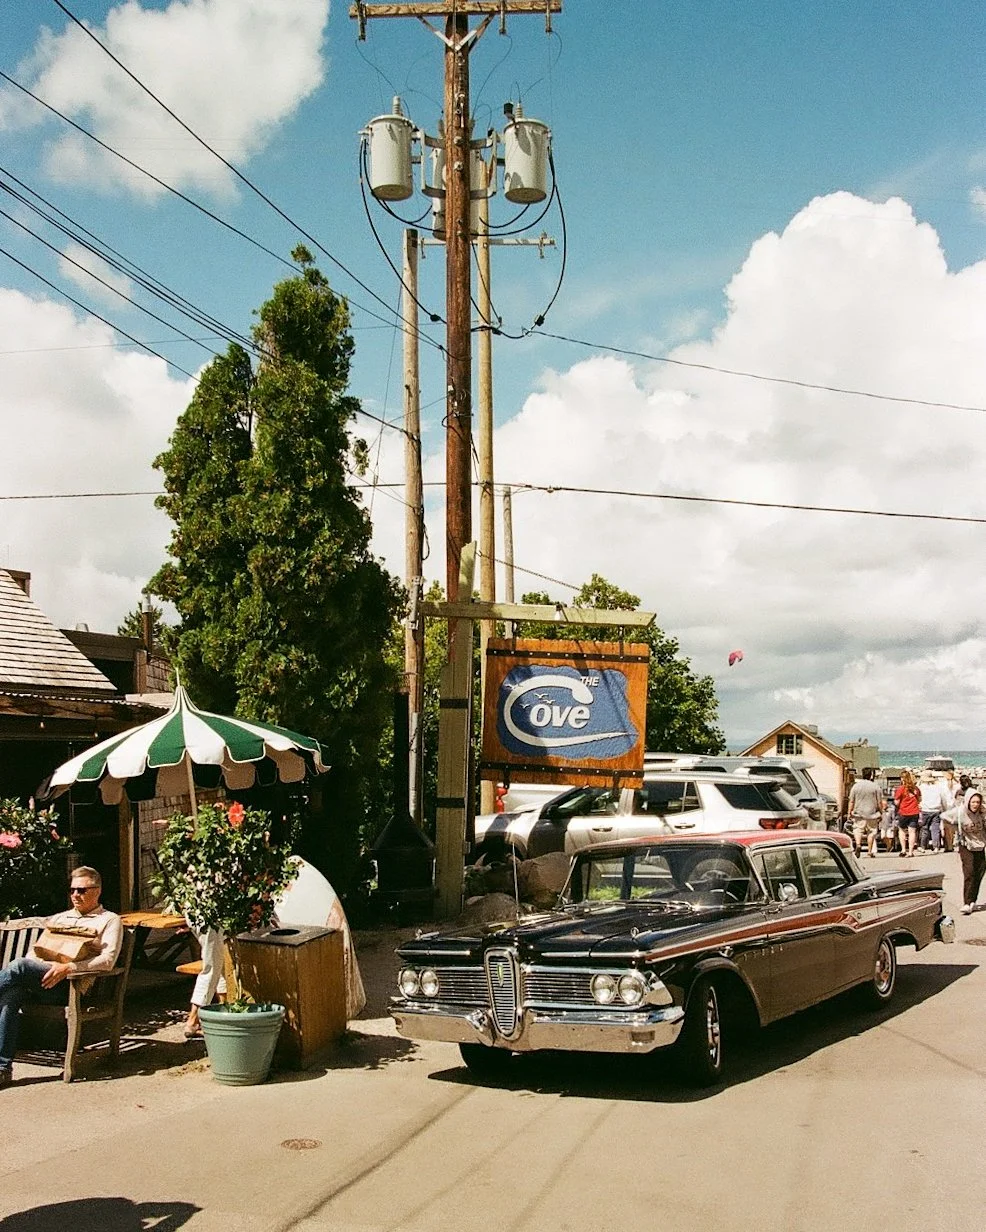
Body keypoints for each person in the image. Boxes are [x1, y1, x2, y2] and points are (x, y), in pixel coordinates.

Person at [0, 866, 122, 1089]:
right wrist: (42, 967)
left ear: (97, 890)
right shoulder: (60, 918)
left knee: (19, 966)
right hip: (42, 982)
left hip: (72, 987)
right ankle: (3, 1070)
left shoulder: (109, 920)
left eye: (82, 890)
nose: (75, 895)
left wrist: (69, 968)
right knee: (11, 995)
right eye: (72, 890)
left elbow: (108, 960)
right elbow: (34, 954)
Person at [183, 924, 226, 1040]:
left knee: (220, 964)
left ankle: (224, 1012)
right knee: (212, 968)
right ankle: (193, 1020)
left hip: (207, 920)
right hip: (211, 921)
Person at [950, 791, 986, 914]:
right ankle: (967, 902)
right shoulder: (961, 813)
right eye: (973, 802)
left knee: (979, 872)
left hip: (980, 845)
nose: (975, 805)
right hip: (965, 845)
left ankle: (972, 901)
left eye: (977, 802)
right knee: (969, 872)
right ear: (968, 801)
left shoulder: (982, 813)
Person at [847, 766, 883, 858]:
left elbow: (851, 801)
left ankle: (858, 844)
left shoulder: (856, 786)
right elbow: (879, 802)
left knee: (858, 829)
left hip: (858, 813)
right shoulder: (876, 787)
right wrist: (881, 812)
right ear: (871, 775)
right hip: (872, 814)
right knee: (871, 832)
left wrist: (849, 812)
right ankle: (869, 851)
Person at [917, 771, 949, 852]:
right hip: (936, 809)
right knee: (935, 829)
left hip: (925, 809)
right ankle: (936, 846)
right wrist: (944, 808)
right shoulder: (938, 787)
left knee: (925, 829)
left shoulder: (921, 787)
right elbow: (943, 798)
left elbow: (918, 798)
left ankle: (923, 846)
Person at [894, 770, 921, 858]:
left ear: (902, 779)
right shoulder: (916, 789)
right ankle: (910, 852)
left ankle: (903, 850)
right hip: (914, 812)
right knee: (912, 832)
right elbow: (920, 799)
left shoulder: (901, 789)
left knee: (902, 830)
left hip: (904, 812)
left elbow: (897, 802)